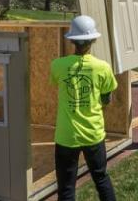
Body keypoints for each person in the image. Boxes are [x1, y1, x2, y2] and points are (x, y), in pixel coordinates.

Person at [50, 15, 118, 201]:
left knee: (66, 187)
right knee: (101, 178)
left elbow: (57, 82)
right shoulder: (103, 67)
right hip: (93, 133)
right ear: (94, 39)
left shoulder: (57, 65)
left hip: (66, 135)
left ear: (71, 40)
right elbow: (107, 98)